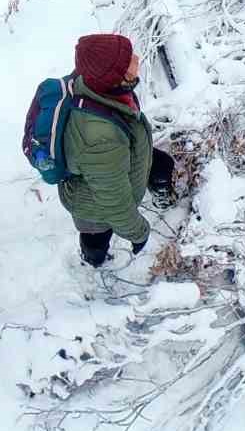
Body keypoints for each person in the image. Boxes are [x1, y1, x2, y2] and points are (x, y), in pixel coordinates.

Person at [59, 33, 176, 272]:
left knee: (162, 164)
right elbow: (114, 203)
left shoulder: (99, 85)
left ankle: (161, 195)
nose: (137, 59)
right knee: (96, 239)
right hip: (92, 207)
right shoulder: (100, 137)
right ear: (115, 76)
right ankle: (93, 261)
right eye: (129, 60)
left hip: (116, 161)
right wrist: (139, 233)